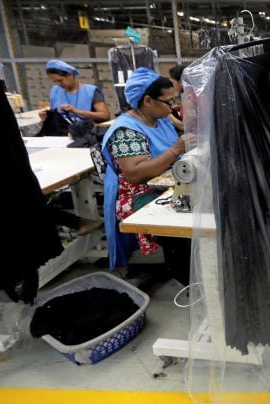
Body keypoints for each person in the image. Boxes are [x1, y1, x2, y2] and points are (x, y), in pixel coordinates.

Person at [101, 68, 193, 281]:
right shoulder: (126, 131)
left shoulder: (160, 119)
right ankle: (188, 277)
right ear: (148, 101)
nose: (172, 106)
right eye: (168, 101)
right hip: (138, 194)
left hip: (165, 184)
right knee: (182, 225)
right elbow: (134, 174)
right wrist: (176, 150)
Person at [41, 59, 111, 123]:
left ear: (70, 75)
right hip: (61, 134)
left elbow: (105, 116)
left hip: (86, 134)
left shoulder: (90, 91)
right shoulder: (55, 91)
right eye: (55, 81)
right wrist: (45, 118)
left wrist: (76, 111)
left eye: (60, 80)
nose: (59, 84)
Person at [167, 64, 186, 131]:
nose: (172, 86)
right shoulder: (190, 96)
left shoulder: (190, 99)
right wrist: (181, 108)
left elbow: (184, 127)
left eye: (173, 83)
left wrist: (168, 114)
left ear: (181, 82)